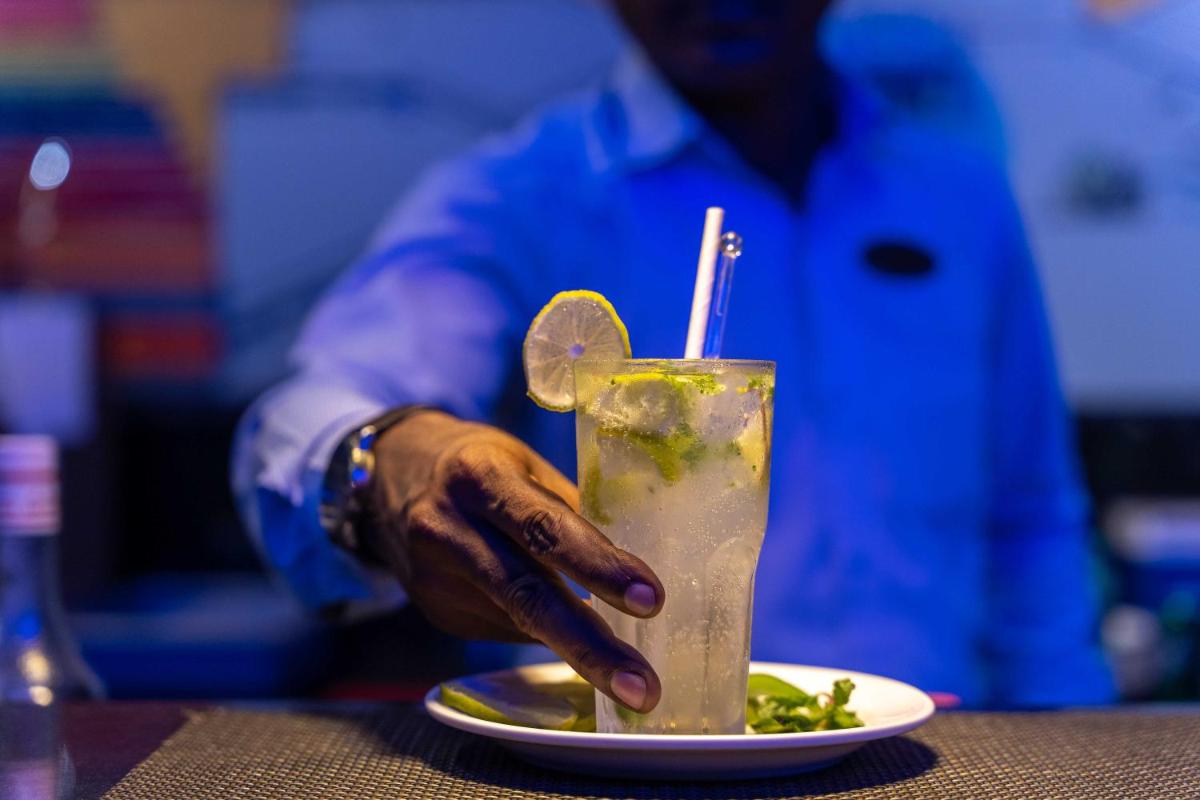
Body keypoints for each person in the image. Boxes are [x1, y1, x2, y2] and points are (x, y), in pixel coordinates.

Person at [233, 1, 1113, 712]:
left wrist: (1068, 734)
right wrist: (389, 463)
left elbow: (1030, 514)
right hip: (630, 754)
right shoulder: (525, 193)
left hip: (934, 752)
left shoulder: (958, 196)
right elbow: (313, 411)